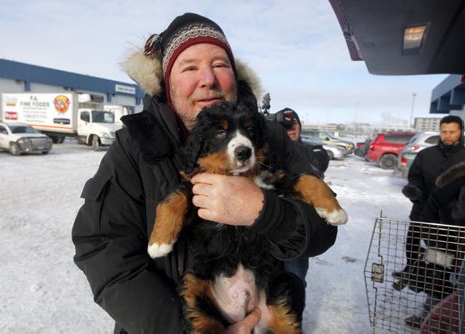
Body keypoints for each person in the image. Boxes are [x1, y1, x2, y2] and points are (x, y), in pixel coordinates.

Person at [71, 13, 338, 333]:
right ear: (166, 84)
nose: (208, 79)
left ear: (235, 76)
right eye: (190, 67)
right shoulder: (135, 145)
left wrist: (266, 212)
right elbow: (102, 249)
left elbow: (323, 229)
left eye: (220, 64)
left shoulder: (268, 135)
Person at [397, 115, 465, 328]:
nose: (447, 136)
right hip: (424, 219)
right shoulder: (426, 155)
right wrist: (414, 189)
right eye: (444, 131)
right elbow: (415, 176)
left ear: (461, 132)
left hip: (454, 227)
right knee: (431, 267)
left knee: (450, 273)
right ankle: (432, 315)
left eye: (452, 131)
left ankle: (446, 316)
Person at [273, 107, 330, 321]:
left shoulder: (312, 149)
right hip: (270, 227)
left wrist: (288, 144)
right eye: (283, 128)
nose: (289, 131)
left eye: (292, 126)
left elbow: (316, 166)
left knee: (295, 281)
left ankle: (294, 323)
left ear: (299, 126)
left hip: (297, 231)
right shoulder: (271, 150)